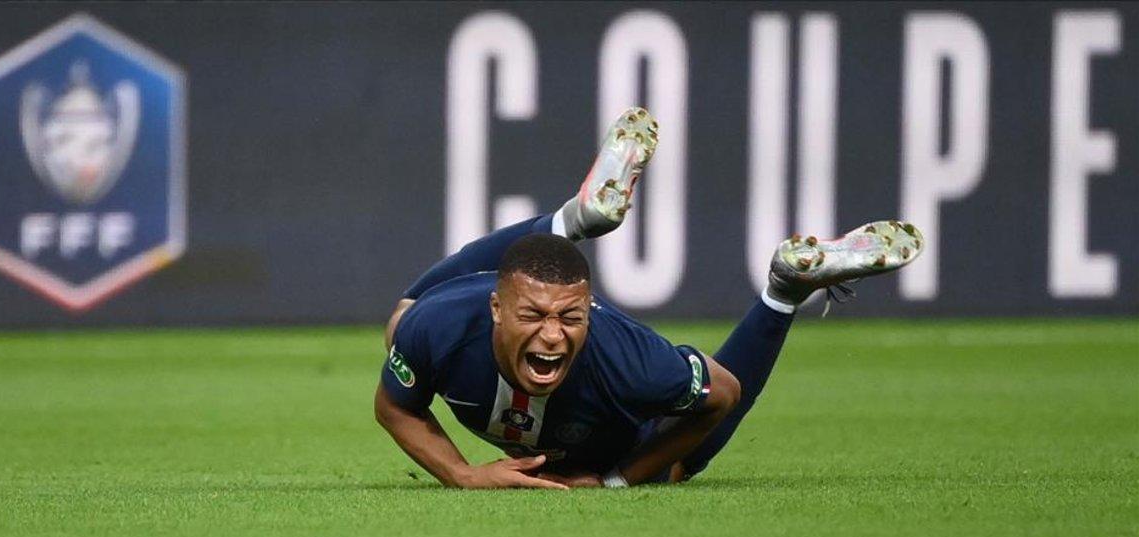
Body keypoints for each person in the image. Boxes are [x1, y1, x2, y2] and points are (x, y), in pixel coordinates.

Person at [374, 108, 924, 489]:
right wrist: (465, 475)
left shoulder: (629, 362)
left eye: (569, 317)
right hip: (465, 314)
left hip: (622, 435)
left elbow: (722, 393)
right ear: (496, 309)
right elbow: (395, 405)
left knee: (676, 464)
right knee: (401, 323)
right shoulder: (439, 327)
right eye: (532, 316)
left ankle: (784, 288)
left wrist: (617, 481)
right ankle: (573, 221)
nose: (550, 335)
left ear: (588, 311)